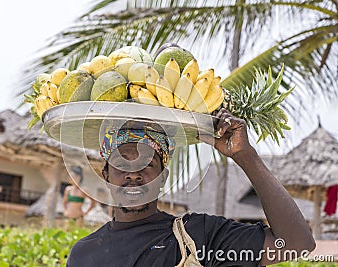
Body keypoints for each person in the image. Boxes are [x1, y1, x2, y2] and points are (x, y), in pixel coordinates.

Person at [66, 109, 315, 266]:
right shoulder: (83, 254)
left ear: (163, 177)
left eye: (147, 164)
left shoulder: (197, 236)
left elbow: (296, 243)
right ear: (106, 175)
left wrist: (245, 156)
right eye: (122, 164)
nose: (134, 175)